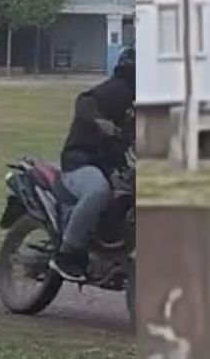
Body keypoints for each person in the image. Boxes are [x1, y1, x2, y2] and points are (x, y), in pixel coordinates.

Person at [50, 46, 135, 281]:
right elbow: (84, 101)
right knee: (99, 191)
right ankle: (67, 253)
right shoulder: (119, 90)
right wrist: (100, 121)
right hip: (80, 162)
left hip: (112, 166)